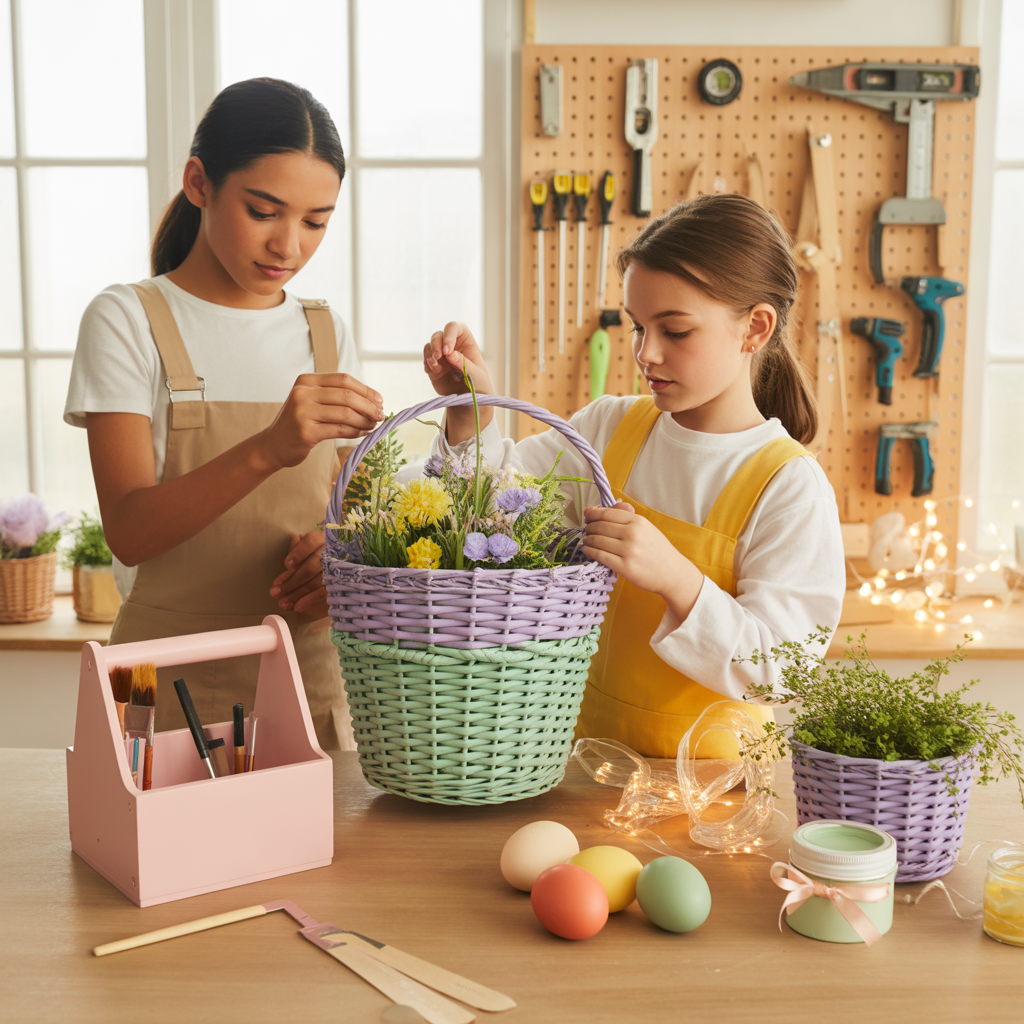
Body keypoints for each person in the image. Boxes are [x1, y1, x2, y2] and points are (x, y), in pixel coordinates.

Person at [420, 194, 845, 758]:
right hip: (580, 763)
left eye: (675, 331)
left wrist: (678, 579)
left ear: (755, 328)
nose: (646, 353)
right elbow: (483, 513)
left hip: (710, 797)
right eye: (638, 328)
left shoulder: (788, 486)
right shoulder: (608, 427)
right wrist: (470, 412)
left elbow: (781, 671)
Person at [64, 78, 384, 750]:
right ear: (199, 183)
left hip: (307, 671)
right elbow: (129, 531)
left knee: (324, 852)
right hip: (152, 670)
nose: (288, 246)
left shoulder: (326, 333)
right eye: (264, 211)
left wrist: (336, 562)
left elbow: (346, 513)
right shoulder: (126, 319)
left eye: (315, 221)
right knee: (150, 837)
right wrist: (271, 446)